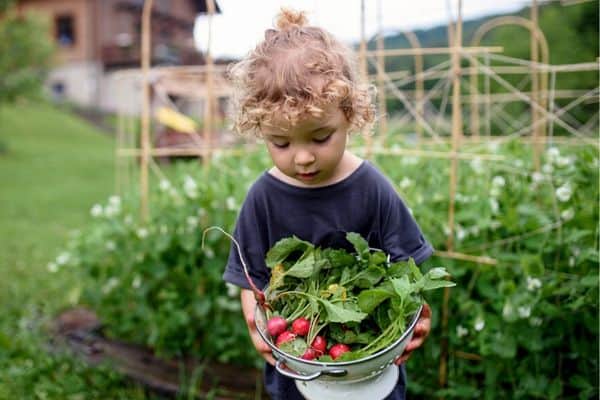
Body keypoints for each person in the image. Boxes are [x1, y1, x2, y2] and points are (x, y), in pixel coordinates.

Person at [223, 8, 434, 400]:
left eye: (320, 138)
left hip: (369, 355)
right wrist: (258, 325)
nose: (301, 158)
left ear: (350, 115)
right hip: (299, 358)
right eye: (280, 143)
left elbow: (409, 267)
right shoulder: (263, 198)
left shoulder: (372, 188)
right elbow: (251, 278)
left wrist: (415, 314)